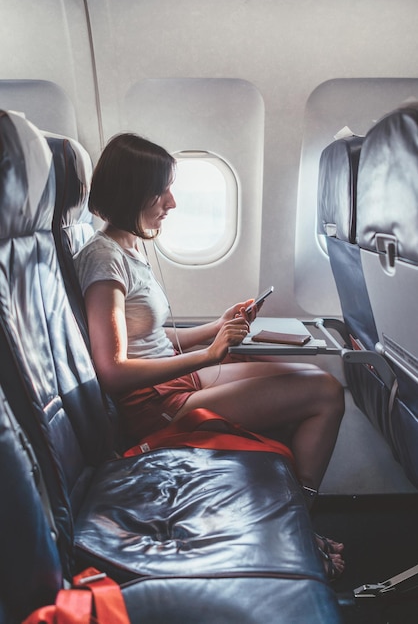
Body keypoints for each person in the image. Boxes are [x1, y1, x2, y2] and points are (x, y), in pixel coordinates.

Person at [73, 133, 345, 579]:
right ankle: (298, 528)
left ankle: (289, 520)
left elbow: (155, 337)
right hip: (155, 404)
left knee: (305, 374)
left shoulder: (131, 247)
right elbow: (113, 371)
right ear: (131, 192)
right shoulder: (103, 261)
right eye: (162, 190)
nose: (172, 202)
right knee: (326, 394)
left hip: (172, 383)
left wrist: (217, 328)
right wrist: (208, 356)